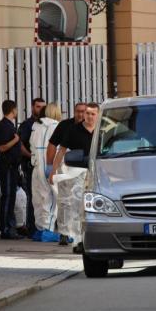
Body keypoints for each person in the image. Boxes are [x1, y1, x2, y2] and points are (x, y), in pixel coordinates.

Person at [50, 103, 99, 245]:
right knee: (68, 202)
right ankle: (65, 233)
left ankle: (83, 235)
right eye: (85, 113)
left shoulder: (101, 131)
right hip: (73, 170)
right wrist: (52, 170)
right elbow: (61, 150)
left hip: (94, 171)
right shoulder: (72, 129)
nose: (87, 116)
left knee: (88, 204)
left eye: (91, 113)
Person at [30, 103, 63, 241]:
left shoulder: (35, 127)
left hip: (36, 165)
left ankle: (40, 229)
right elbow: (60, 148)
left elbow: (31, 145)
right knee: (51, 199)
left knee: (38, 198)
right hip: (50, 164)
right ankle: (48, 230)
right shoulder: (56, 127)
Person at [0, 100, 23, 239]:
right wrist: (15, 140)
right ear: (13, 110)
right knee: (8, 196)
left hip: (12, 166)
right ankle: (6, 228)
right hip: (7, 165)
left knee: (11, 197)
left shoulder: (8, 125)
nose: (17, 112)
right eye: (16, 109)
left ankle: (10, 227)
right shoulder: (4, 126)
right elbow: (2, 147)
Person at [17, 97, 46, 237]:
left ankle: (41, 226)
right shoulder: (27, 125)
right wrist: (31, 156)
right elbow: (21, 145)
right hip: (30, 165)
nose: (40, 109)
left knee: (42, 197)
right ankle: (31, 227)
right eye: (38, 106)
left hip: (42, 165)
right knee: (31, 196)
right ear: (32, 107)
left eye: (42, 107)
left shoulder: (45, 124)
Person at [47, 102, 86, 166]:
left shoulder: (92, 126)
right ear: (74, 112)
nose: (80, 114)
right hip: (67, 165)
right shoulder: (64, 125)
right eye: (77, 111)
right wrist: (49, 165)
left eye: (83, 111)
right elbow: (52, 144)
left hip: (87, 163)